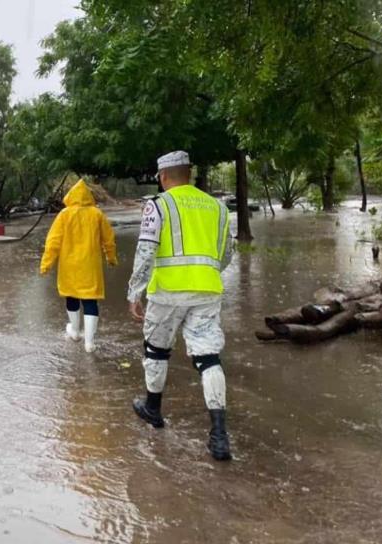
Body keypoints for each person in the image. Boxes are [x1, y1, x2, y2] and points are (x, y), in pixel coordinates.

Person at [127, 150, 235, 461]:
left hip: (167, 293)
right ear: (189, 174)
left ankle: (153, 409)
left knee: (157, 350)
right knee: (208, 356)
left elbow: (146, 251)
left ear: (163, 177)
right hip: (207, 290)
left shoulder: (158, 205)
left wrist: (134, 292)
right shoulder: (217, 207)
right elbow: (226, 253)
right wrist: (205, 274)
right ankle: (219, 435)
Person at [40, 179, 118, 353]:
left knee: (71, 297)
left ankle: (75, 332)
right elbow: (109, 239)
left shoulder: (64, 215)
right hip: (90, 266)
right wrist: (111, 258)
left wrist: (46, 264)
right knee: (90, 300)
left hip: (69, 267)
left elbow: (53, 241)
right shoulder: (97, 214)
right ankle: (89, 343)